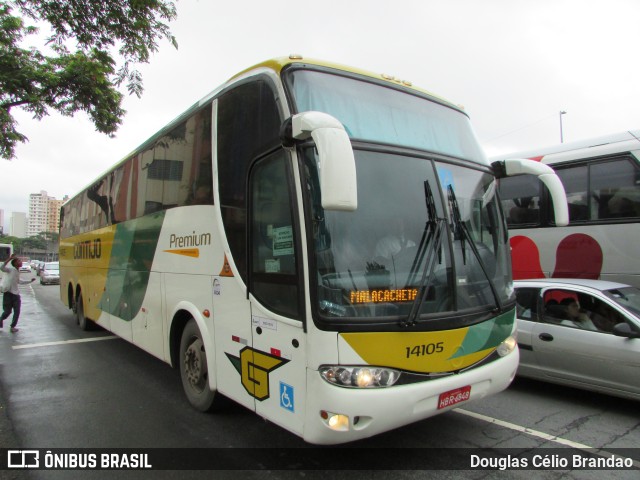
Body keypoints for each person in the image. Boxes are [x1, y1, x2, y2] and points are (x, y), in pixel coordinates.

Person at [1, 254, 36, 333]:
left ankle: (13, 326)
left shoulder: (17, 271)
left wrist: (30, 281)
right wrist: (10, 258)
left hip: (16, 295)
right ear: (15, 263)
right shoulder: (11, 269)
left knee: (17, 311)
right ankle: (1, 319)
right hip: (8, 293)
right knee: (7, 312)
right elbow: (2, 268)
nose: (21, 262)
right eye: (19, 261)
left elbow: (19, 281)